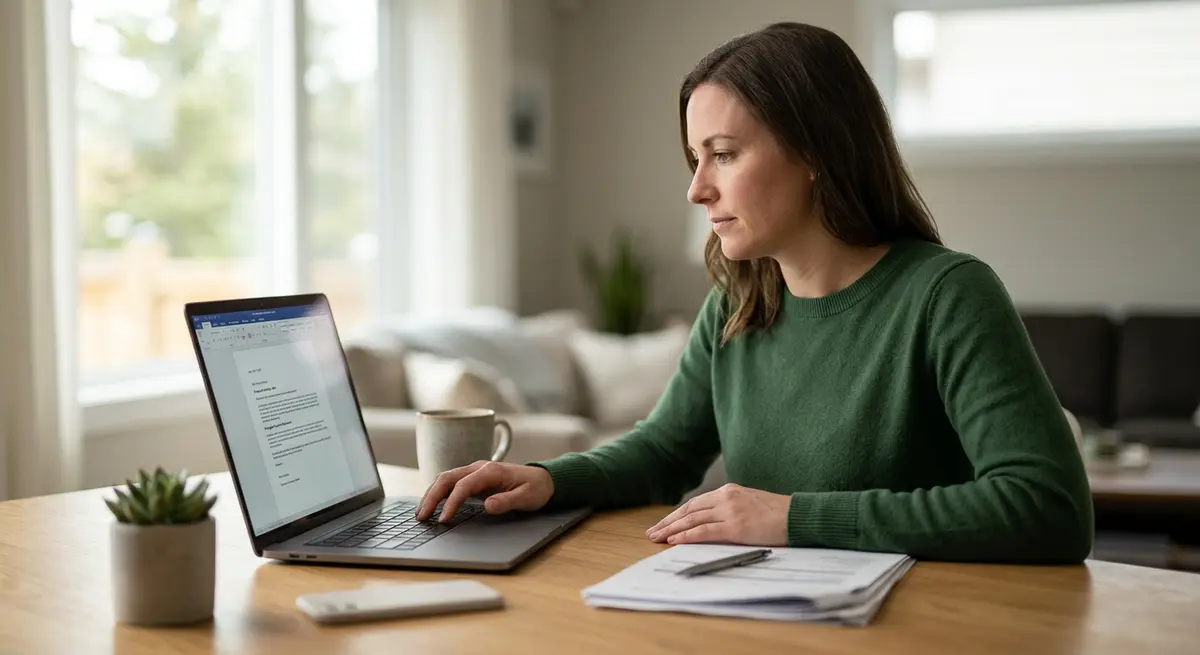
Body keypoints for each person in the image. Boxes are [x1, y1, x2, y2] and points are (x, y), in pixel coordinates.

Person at [416, 21, 1094, 563]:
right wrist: (552, 479)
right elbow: (662, 450)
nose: (697, 188)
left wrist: (791, 517)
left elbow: (1048, 508)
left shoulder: (947, 296)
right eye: (695, 158)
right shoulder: (738, 302)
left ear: (815, 155)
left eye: (725, 153)